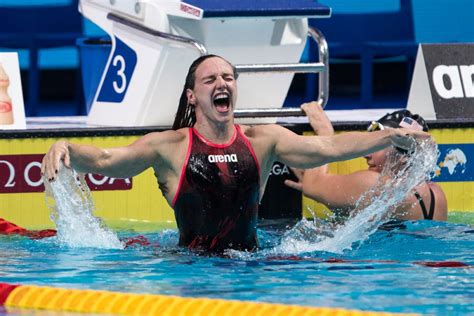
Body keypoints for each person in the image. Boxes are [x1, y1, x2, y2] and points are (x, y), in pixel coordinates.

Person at [42, 54, 430, 252]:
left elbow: (326, 147)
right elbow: (109, 161)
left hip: (253, 266)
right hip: (190, 270)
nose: (222, 83)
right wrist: (66, 147)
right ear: (194, 96)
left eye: (228, 77)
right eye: (210, 79)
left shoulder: (263, 141)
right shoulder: (171, 146)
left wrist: (386, 138)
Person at [285, 104, 447, 222]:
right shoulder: (436, 194)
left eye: (378, 145)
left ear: (403, 155)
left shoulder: (374, 184)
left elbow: (313, 186)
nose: (366, 154)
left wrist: (325, 134)